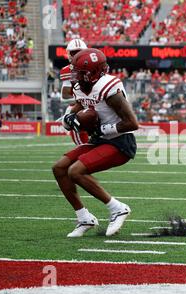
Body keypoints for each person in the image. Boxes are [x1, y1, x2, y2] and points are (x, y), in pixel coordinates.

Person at [52, 48, 139, 238]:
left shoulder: (108, 87)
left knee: (75, 171)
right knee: (59, 168)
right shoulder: (80, 86)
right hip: (99, 139)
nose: (75, 75)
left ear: (94, 72)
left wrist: (103, 129)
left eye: (80, 72)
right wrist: (68, 118)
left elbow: (132, 123)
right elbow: (81, 104)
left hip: (120, 142)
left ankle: (117, 208)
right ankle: (84, 218)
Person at [60, 39, 90, 145]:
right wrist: (84, 99)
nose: (77, 55)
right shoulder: (69, 71)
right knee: (83, 144)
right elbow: (64, 96)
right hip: (79, 109)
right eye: (74, 53)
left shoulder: (95, 66)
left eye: (80, 52)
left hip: (97, 107)